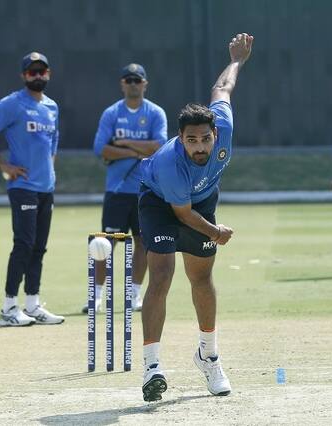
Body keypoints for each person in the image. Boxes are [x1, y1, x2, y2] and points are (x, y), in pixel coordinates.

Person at [138, 33, 253, 402]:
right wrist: (216, 232)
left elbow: (222, 88)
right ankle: (151, 367)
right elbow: (182, 214)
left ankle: (208, 356)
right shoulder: (170, 165)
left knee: (201, 278)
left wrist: (236, 60)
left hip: (200, 202)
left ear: (215, 132)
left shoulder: (224, 124)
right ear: (180, 137)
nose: (200, 147)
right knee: (161, 275)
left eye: (205, 139)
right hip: (161, 202)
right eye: (191, 141)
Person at [0, 52, 64, 326]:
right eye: (32, 72)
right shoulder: (13, 103)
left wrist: (50, 167)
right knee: (24, 244)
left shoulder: (52, 106)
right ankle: (8, 308)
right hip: (23, 186)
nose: (37, 75)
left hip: (46, 188)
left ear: (48, 74)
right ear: (24, 76)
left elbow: (54, 138)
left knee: (39, 247)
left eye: (41, 71)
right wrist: (3, 163)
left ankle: (32, 304)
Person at [82, 63, 168, 314]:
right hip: (117, 191)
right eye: (128, 80)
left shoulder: (155, 113)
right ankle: (97, 297)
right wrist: (137, 151)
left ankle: (134, 295)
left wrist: (123, 143)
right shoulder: (111, 113)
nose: (133, 84)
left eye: (137, 80)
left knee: (142, 243)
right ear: (122, 84)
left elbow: (159, 146)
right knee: (105, 243)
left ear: (145, 84)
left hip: (146, 191)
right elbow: (101, 149)